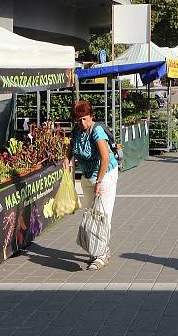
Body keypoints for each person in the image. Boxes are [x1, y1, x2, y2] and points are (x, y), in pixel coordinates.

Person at [65, 100, 119, 270]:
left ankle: (101, 255)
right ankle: (100, 250)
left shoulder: (97, 131)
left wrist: (100, 181)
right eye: (79, 120)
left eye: (85, 119)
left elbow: (105, 158)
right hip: (87, 175)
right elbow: (72, 147)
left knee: (102, 214)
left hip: (105, 174)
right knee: (91, 213)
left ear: (91, 116)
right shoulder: (77, 131)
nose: (83, 123)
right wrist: (67, 160)